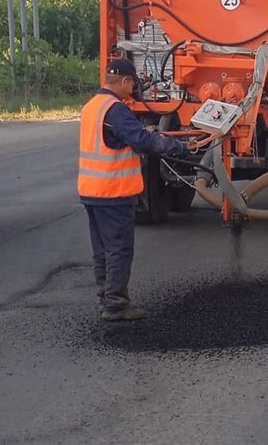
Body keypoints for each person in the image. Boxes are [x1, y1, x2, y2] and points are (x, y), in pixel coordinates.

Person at [78, 58, 190, 321]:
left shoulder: (92, 106)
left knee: (102, 250)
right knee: (119, 249)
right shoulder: (115, 110)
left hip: (91, 191)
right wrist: (176, 147)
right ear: (125, 81)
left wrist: (144, 131)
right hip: (114, 191)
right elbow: (140, 141)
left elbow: (117, 137)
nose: (132, 90)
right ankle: (116, 305)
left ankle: (107, 299)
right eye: (132, 85)